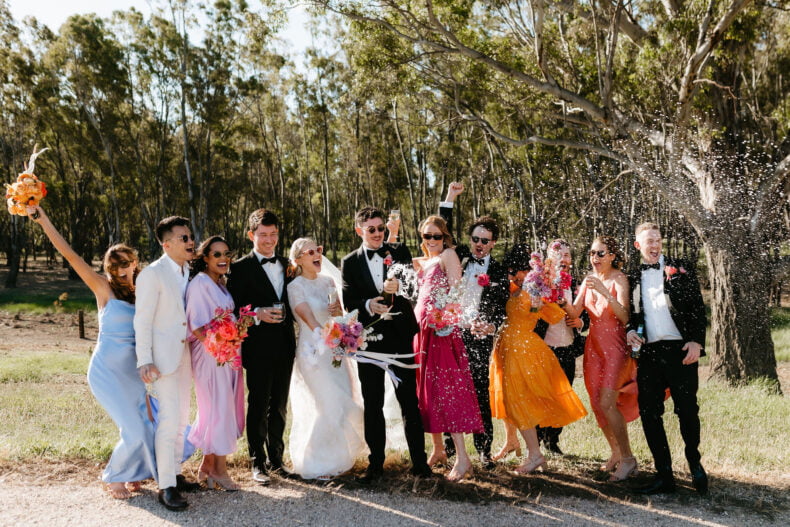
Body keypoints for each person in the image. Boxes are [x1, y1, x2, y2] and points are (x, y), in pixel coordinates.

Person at [26, 205, 155, 499]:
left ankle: (134, 471)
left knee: (144, 423)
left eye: (127, 262)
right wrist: (42, 219)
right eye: (115, 265)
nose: (121, 269)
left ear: (135, 262)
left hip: (133, 371)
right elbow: (71, 255)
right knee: (132, 427)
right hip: (107, 370)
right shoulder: (103, 288)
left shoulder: (144, 291)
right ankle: (113, 476)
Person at [341, 206, 433, 483]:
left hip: (400, 337)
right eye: (371, 229)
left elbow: (414, 289)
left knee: (409, 401)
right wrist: (369, 304)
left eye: (381, 228)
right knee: (373, 402)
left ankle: (420, 464)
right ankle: (376, 464)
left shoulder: (399, 251)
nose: (378, 233)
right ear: (359, 230)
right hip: (368, 340)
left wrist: (400, 288)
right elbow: (349, 301)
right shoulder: (350, 261)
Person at [489, 244, 587, 474]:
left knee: (520, 399)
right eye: (512, 271)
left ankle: (535, 454)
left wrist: (547, 301)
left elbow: (554, 315)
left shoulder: (535, 289)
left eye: (518, 271)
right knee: (510, 398)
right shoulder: (514, 287)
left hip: (523, 348)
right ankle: (516, 443)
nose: (514, 275)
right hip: (507, 346)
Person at [626, 223, 708, 495]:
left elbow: (697, 308)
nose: (654, 245)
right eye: (649, 240)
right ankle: (664, 476)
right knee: (649, 413)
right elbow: (634, 315)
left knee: (687, 410)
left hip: (680, 350)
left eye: (658, 240)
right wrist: (630, 331)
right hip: (649, 353)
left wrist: (696, 342)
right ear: (638, 245)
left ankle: (695, 463)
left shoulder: (680, 269)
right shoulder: (633, 275)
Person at [438, 182, 509, 468]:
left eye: (485, 240)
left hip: (480, 337)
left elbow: (502, 308)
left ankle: (483, 450)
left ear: (493, 243)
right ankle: (450, 447)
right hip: (452, 333)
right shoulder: (460, 258)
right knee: (452, 389)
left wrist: (490, 326)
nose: (479, 244)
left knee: (480, 391)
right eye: (475, 239)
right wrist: (449, 198)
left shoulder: (499, 271)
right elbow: (442, 230)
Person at [135, 216, 201, 511]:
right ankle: (165, 487)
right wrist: (144, 360)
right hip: (162, 359)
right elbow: (142, 320)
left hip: (186, 354)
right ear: (167, 244)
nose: (191, 242)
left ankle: (175, 472)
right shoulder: (152, 274)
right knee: (169, 419)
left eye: (190, 236)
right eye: (184, 238)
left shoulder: (190, 271)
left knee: (182, 418)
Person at [286, 237, 366, 480]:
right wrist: (326, 334)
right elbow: (307, 316)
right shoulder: (295, 286)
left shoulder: (329, 281)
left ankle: (335, 461)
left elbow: (339, 314)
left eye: (318, 250)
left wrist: (338, 315)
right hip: (312, 352)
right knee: (328, 404)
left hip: (334, 351)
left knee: (344, 403)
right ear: (298, 260)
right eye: (310, 252)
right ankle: (313, 463)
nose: (317, 255)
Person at [227, 209, 296, 486]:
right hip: (257, 347)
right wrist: (257, 314)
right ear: (251, 235)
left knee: (279, 405)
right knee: (258, 403)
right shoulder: (239, 268)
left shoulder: (288, 265)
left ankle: (277, 461)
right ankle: (257, 462)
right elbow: (232, 310)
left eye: (273, 234)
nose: (269, 240)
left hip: (285, 345)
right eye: (263, 235)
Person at [412, 215, 483, 481]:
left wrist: (444, 318)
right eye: (427, 236)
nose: (431, 240)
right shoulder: (423, 261)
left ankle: (463, 459)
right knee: (427, 391)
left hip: (440, 332)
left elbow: (457, 292)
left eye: (436, 236)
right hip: (422, 333)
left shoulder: (448, 255)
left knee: (447, 390)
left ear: (445, 237)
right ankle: (439, 449)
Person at [564, 236, 639, 482]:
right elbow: (574, 311)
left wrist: (605, 291)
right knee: (597, 402)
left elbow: (625, 316)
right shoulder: (588, 280)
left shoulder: (619, 279)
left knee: (608, 403)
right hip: (593, 348)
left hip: (616, 348)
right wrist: (557, 294)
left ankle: (628, 458)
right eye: (592, 253)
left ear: (612, 256)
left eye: (600, 253)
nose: (594, 258)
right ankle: (615, 452)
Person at [185, 236, 245, 491]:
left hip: (227, 353)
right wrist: (219, 347)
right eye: (217, 254)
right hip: (212, 355)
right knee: (219, 408)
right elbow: (196, 326)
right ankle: (220, 470)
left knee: (219, 408)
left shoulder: (219, 283)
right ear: (205, 258)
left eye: (226, 254)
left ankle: (207, 466)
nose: (223, 259)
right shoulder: (200, 283)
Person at [533, 239, 588, 455]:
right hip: (544, 348)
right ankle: (537, 439)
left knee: (563, 395)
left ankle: (552, 440)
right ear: (549, 259)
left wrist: (580, 322)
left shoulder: (575, 285)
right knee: (542, 396)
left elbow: (586, 315)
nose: (563, 259)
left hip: (567, 348)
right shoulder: (540, 283)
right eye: (558, 255)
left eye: (566, 255)